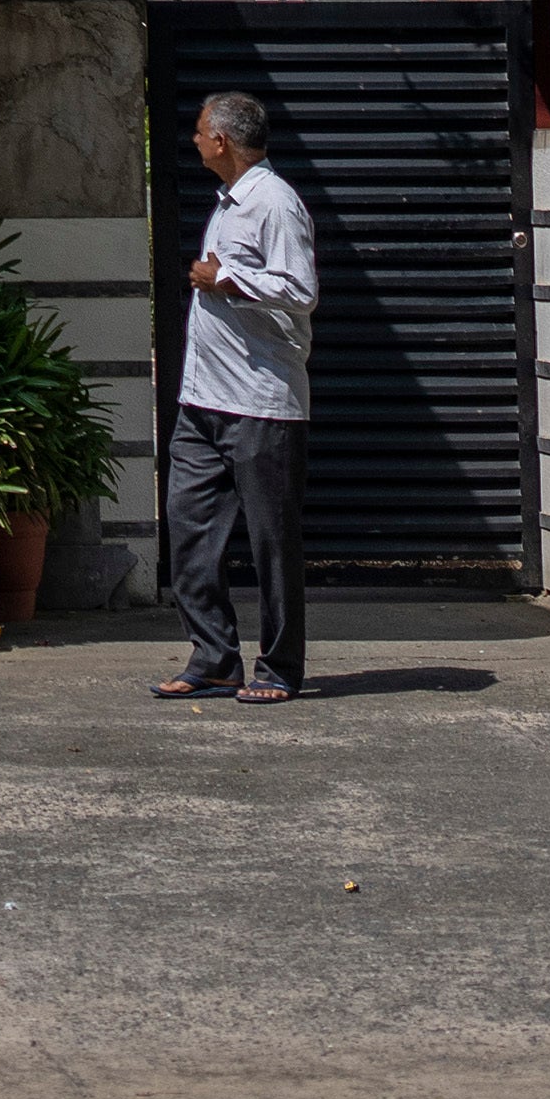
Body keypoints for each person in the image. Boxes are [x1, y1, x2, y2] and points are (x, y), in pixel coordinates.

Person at [159, 87, 318, 706]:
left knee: (272, 539)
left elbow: (300, 290)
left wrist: (225, 276)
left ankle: (278, 668)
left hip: (262, 401)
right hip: (204, 399)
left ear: (221, 140)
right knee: (191, 528)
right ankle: (214, 657)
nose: (195, 141)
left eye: (201, 132)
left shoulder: (273, 203)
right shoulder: (228, 202)